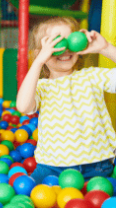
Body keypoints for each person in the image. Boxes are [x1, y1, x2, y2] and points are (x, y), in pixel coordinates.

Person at [17, 17, 116, 184]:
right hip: (51, 167)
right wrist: (38, 61)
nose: (64, 49)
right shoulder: (41, 87)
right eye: (55, 44)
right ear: (40, 52)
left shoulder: (92, 76)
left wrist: (106, 48)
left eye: (69, 41)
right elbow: (23, 105)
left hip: (95, 164)